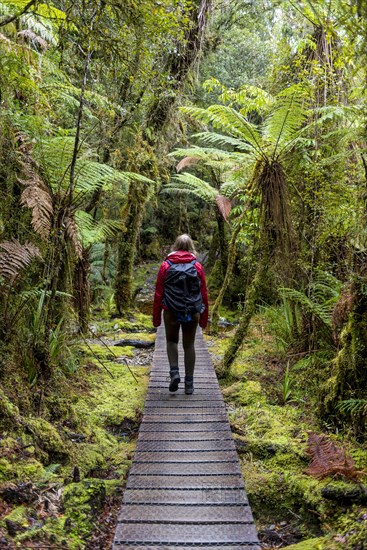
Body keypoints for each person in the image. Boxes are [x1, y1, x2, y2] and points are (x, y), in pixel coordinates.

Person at [152, 234, 208, 394]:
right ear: (191, 247)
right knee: (189, 345)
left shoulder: (166, 265)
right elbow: (203, 293)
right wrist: (204, 318)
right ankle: (189, 384)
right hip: (192, 311)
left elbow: (158, 293)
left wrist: (156, 318)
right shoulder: (197, 266)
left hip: (171, 311)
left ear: (175, 246)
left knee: (171, 342)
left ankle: (175, 373)